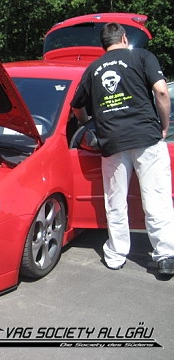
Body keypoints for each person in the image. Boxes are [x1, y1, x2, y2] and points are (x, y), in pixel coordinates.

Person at [71, 22, 174, 276]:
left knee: (115, 202)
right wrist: (164, 125)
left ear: (103, 45)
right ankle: (165, 256)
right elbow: (161, 91)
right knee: (157, 198)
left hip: (112, 142)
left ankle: (116, 255)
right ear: (125, 38)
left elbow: (77, 106)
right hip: (146, 138)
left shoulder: (93, 68)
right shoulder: (142, 56)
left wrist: (87, 125)